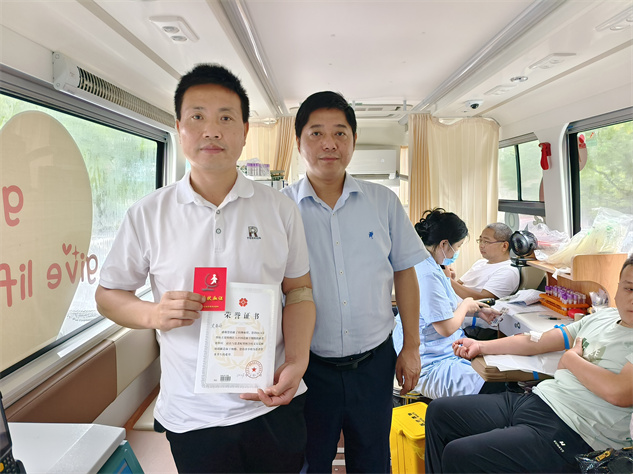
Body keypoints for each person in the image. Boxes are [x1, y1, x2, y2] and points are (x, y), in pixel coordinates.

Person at [95, 64, 316, 473]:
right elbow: (108, 295)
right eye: (197, 117)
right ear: (179, 128)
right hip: (192, 414)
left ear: (245, 131)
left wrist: (297, 360)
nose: (211, 131)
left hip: (272, 401)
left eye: (225, 118)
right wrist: (153, 314)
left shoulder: (280, 209)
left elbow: (300, 291)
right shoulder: (148, 214)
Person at [281, 91, 426, 473]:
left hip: (374, 363)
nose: (329, 143)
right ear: (298, 141)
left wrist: (411, 346)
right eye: (316, 133)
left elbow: (405, 271)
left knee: (373, 460)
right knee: (309, 462)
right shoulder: (279, 208)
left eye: (340, 133)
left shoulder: (384, 202)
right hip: (309, 366)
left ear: (354, 139)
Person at [425, 255, 633, 473]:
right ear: (617, 289)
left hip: (577, 431)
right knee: (440, 413)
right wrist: (480, 346)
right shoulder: (602, 318)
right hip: (540, 400)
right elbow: (538, 342)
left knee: (460, 454)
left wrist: (571, 359)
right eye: (629, 289)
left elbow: (618, 392)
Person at [392, 208, 507, 399]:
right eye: (458, 246)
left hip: (443, 350)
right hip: (431, 361)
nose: (457, 252)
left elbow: (443, 308)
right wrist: (467, 305)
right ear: (444, 244)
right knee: (494, 385)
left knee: (497, 372)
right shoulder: (427, 274)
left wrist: (475, 311)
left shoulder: (431, 265)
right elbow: (445, 327)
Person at [449, 222, 519, 301]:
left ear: (504, 246)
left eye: (486, 241)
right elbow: (458, 285)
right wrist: (450, 278)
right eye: (480, 240)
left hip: (465, 306)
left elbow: (484, 298)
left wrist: (449, 280)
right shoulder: (480, 263)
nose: (481, 245)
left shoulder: (508, 271)